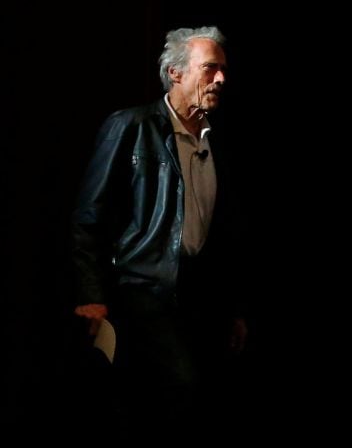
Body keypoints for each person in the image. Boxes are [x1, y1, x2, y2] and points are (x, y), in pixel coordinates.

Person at [71, 26, 247, 432]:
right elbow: (87, 217)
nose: (221, 79)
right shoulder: (130, 127)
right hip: (141, 289)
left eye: (223, 70)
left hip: (198, 295)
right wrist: (91, 296)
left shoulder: (217, 142)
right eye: (210, 69)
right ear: (176, 74)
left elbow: (227, 234)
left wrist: (235, 309)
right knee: (175, 387)